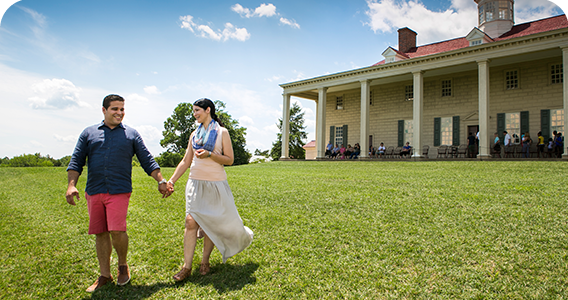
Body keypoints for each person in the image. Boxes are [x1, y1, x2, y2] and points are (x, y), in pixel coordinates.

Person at [65, 94, 169, 292]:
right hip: (94, 190)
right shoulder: (88, 133)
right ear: (104, 110)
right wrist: (71, 185)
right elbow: (76, 161)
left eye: (122, 109)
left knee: (117, 230)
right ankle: (105, 274)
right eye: (115, 109)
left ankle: (123, 265)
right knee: (100, 232)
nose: (119, 113)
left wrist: (161, 180)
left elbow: (147, 159)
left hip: (119, 190)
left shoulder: (131, 134)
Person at [166, 98, 253, 282]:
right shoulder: (194, 135)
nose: (195, 114)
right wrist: (172, 180)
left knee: (210, 224)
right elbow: (186, 161)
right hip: (195, 183)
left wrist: (210, 155)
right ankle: (186, 267)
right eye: (193, 111)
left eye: (197, 110)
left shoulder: (222, 133)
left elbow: (229, 160)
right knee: (190, 222)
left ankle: (205, 261)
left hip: (215, 184)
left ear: (208, 110)